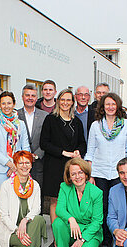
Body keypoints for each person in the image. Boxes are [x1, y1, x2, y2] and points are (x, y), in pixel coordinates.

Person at [85, 92, 127, 247]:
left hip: (120, 174)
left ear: (118, 106)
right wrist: (90, 174)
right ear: (102, 106)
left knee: (121, 206)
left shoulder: (126, 124)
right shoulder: (95, 125)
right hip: (100, 173)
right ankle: (107, 238)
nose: (110, 107)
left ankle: (121, 237)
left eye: (113, 104)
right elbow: (91, 151)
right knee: (104, 207)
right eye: (107, 104)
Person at [40, 89, 86, 227]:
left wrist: (78, 151)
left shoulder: (76, 121)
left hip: (72, 167)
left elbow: (83, 142)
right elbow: (44, 143)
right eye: (63, 99)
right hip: (54, 165)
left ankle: (70, 232)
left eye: (68, 100)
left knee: (70, 200)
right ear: (58, 101)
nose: (65, 103)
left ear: (73, 102)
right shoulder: (50, 119)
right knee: (56, 200)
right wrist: (63, 152)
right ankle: (57, 235)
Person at [53, 158, 103, 247]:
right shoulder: (64, 187)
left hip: (89, 229)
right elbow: (59, 209)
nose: (77, 177)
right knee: (58, 223)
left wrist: (82, 239)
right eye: (73, 174)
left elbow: (97, 221)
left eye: (80, 172)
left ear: (86, 174)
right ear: (69, 177)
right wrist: (71, 219)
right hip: (72, 227)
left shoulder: (96, 192)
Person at [0, 91, 30, 230]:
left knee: (17, 201)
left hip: (19, 169)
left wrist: (19, 166)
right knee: (0, 203)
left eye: (9, 103)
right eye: (3, 103)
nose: (6, 106)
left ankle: (15, 232)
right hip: (0, 169)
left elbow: (25, 146)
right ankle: (0, 233)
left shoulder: (20, 124)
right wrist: (10, 164)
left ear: (14, 104)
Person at [0, 151, 47, 247]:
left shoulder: (35, 185)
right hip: (11, 229)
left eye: (27, 162)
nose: (24, 166)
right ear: (15, 165)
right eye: (21, 163)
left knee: (39, 219)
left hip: (28, 226)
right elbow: (3, 216)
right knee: (29, 239)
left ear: (31, 165)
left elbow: (36, 209)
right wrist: (16, 229)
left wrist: (25, 220)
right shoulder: (6, 185)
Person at [17, 84, 47, 185]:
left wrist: (37, 155)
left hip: (38, 162)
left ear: (37, 98)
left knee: (37, 195)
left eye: (33, 96)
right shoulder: (15, 115)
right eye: (27, 95)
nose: (30, 98)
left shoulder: (44, 116)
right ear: (22, 97)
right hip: (19, 163)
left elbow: (47, 138)